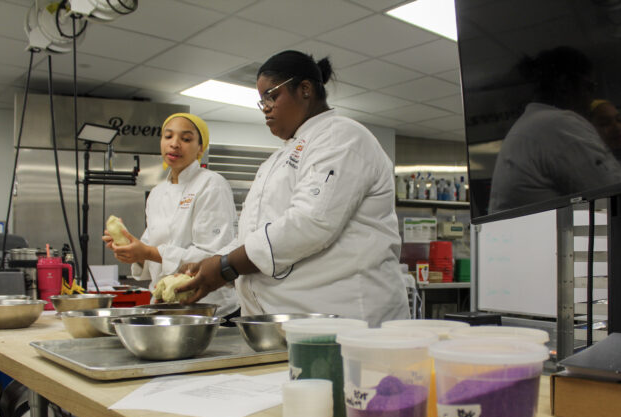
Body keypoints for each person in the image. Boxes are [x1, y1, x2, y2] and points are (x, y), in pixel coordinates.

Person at [175, 50, 409, 327]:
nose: (267, 108)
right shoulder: (277, 160)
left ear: (305, 89)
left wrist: (227, 267)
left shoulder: (341, 136)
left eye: (272, 96)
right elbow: (252, 235)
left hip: (348, 323)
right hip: (288, 326)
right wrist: (209, 262)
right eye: (261, 101)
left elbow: (311, 223)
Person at [102, 112, 238, 317]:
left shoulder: (211, 184)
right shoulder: (156, 194)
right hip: (166, 308)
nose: (174, 144)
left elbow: (212, 257)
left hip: (210, 310)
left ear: (201, 148)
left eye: (186, 139)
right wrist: (132, 251)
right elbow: (150, 254)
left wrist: (146, 252)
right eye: (168, 136)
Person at [488, 47, 621, 213]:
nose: (590, 99)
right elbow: (618, 197)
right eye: (589, 87)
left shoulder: (530, 124)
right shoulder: (560, 124)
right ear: (565, 85)